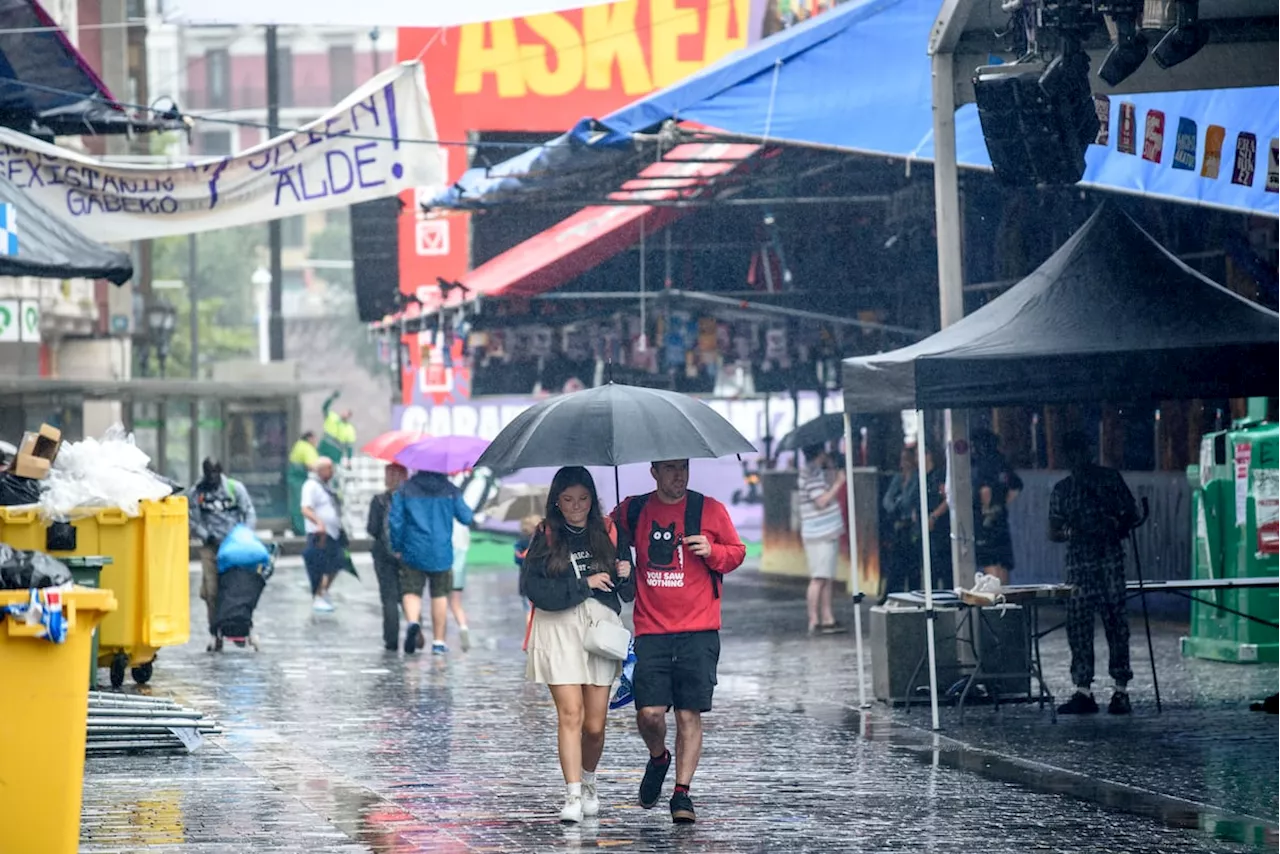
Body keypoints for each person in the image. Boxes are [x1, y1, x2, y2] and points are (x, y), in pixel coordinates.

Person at [614, 459, 746, 825]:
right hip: (652, 630)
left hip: (699, 629)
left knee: (689, 713)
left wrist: (713, 550)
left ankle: (681, 793)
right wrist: (619, 561)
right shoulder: (634, 509)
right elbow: (606, 533)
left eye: (683, 468)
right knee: (649, 713)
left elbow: (736, 552)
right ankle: (659, 757)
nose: (679, 476)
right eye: (670, 469)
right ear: (654, 471)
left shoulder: (710, 509)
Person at [521, 467, 634, 823]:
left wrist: (626, 574)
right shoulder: (546, 535)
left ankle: (588, 781)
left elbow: (626, 595)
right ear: (557, 500)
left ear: (592, 498)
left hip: (600, 630)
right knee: (570, 714)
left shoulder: (610, 531)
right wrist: (584, 583)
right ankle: (571, 794)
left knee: (595, 725)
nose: (576, 507)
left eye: (583, 499)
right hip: (557, 629)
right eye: (568, 500)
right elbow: (535, 590)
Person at [1049, 430, 1139, 716]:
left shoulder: (1109, 481)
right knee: (1079, 627)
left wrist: (1115, 525)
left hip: (1107, 559)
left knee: (1115, 624)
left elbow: (1132, 515)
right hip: (1080, 563)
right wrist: (1072, 531)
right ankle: (1084, 690)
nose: (1076, 460)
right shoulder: (1064, 489)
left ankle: (1120, 690)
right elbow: (1053, 530)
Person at [389, 466, 474, 655]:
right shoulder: (450, 490)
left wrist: (397, 546)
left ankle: (413, 622)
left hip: (412, 549)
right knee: (440, 595)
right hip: (441, 552)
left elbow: (395, 521)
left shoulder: (405, 489)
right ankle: (438, 642)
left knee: (411, 591)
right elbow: (466, 517)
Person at [188, 458, 257, 650]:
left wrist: (245, 535)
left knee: (236, 589)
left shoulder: (235, 489)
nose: (211, 478)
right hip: (211, 547)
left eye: (215, 473)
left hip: (235, 546)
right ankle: (214, 632)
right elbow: (192, 518)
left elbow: (249, 511)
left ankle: (241, 627)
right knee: (211, 591)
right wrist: (205, 535)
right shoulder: (197, 492)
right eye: (208, 473)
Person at [448, 465, 501, 651]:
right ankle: (463, 626)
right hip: (462, 543)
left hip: (442, 545)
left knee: (437, 595)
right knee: (455, 597)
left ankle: (435, 638)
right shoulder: (491, 482)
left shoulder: (454, 485)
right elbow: (476, 516)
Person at [798, 444, 846, 634]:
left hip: (826, 532)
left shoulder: (816, 471)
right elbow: (821, 501)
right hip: (819, 534)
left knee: (826, 577)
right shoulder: (810, 473)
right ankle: (814, 619)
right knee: (819, 577)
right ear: (818, 452)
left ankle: (827, 618)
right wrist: (838, 483)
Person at [972, 429, 1023, 584]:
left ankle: (996, 602)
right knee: (1002, 562)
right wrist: (1001, 503)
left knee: (991, 561)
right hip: (1001, 519)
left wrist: (986, 509)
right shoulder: (1002, 463)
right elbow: (1016, 487)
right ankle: (1005, 600)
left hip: (986, 522)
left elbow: (985, 490)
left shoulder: (982, 465)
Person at [367, 463, 408, 651]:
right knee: (409, 594)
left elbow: (372, 529)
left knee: (389, 598)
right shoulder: (410, 500)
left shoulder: (379, 500)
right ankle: (414, 626)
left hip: (383, 556)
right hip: (407, 554)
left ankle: (391, 639)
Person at [300, 457, 345, 613]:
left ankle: (323, 590)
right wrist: (318, 522)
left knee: (338, 561)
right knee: (318, 564)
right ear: (320, 470)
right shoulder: (311, 486)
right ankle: (318, 594)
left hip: (333, 532)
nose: (332, 472)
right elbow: (306, 508)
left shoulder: (326, 486)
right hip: (319, 533)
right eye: (329, 469)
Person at [880, 444, 921, 603]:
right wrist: (895, 504)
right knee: (895, 565)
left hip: (911, 527)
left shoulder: (916, 477)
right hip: (898, 527)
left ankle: (914, 596)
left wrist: (898, 502)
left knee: (912, 566)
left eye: (906, 459)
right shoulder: (898, 478)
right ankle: (891, 595)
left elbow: (909, 499)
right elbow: (887, 500)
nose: (904, 462)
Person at [924, 446, 952, 590]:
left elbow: (947, 499)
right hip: (928, 527)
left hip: (940, 527)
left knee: (944, 566)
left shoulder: (939, 475)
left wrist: (934, 516)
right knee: (932, 568)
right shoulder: (924, 476)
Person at [288, 431, 321, 535]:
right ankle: (301, 530)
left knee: (295, 504)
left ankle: (296, 528)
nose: (316, 442)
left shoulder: (299, 445)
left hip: (295, 478)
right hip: (299, 478)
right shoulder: (307, 448)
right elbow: (311, 465)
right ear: (310, 439)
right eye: (315, 439)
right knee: (301, 504)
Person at [319, 392, 357, 463]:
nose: (345, 414)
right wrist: (331, 398)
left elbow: (349, 446)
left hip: (336, 451)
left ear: (349, 416)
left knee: (332, 469)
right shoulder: (332, 417)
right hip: (325, 446)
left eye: (347, 414)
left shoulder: (349, 429)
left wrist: (349, 460)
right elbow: (324, 408)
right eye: (344, 412)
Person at [516, 513, 541, 612]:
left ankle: (529, 628)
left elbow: (517, 560)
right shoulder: (541, 542)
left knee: (528, 612)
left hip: (525, 584)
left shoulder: (520, 543)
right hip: (539, 583)